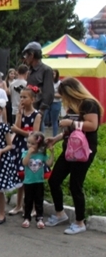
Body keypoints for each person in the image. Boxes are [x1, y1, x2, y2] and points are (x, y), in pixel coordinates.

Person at [44, 78, 102, 235]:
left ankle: (80, 222)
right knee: (54, 180)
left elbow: (92, 125)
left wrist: (71, 122)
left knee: (75, 185)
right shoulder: (73, 106)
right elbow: (71, 130)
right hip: (70, 149)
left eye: (64, 96)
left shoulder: (88, 103)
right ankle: (60, 214)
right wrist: (55, 139)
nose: (63, 100)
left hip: (84, 151)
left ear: (71, 92)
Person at [9, 86, 42, 216]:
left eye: (25, 97)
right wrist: (18, 114)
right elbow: (15, 127)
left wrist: (19, 131)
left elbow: (34, 135)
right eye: (20, 97)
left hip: (30, 148)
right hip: (19, 146)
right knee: (20, 176)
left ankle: (33, 207)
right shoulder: (20, 112)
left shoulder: (37, 115)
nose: (21, 99)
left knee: (30, 178)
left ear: (32, 99)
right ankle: (18, 206)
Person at [21, 132, 54, 229]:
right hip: (28, 182)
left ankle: (39, 218)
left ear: (38, 145)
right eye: (28, 142)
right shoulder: (25, 153)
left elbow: (49, 164)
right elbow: (25, 162)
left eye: (32, 143)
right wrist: (29, 153)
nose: (29, 145)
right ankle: (27, 218)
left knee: (39, 200)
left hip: (39, 182)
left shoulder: (41, 155)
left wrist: (52, 153)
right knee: (28, 200)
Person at [22, 42, 54, 118]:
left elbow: (48, 92)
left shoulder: (46, 70)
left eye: (26, 55)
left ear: (32, 55)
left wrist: (41, 111)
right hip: (28, 108)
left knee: (36, 130)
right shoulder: (30, 71)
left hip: (38, 110)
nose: (25, 58)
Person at [44, 69, 62, 136]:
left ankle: (54, 137)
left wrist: (52, 94)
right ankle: (42, 136)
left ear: (56, 75)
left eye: (54, 74)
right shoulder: (47, 82)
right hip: (47, 102)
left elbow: (61, 95)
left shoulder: (59, 83)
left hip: (56, 103)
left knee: (54, 121)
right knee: (43, 119)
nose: (52, 75)